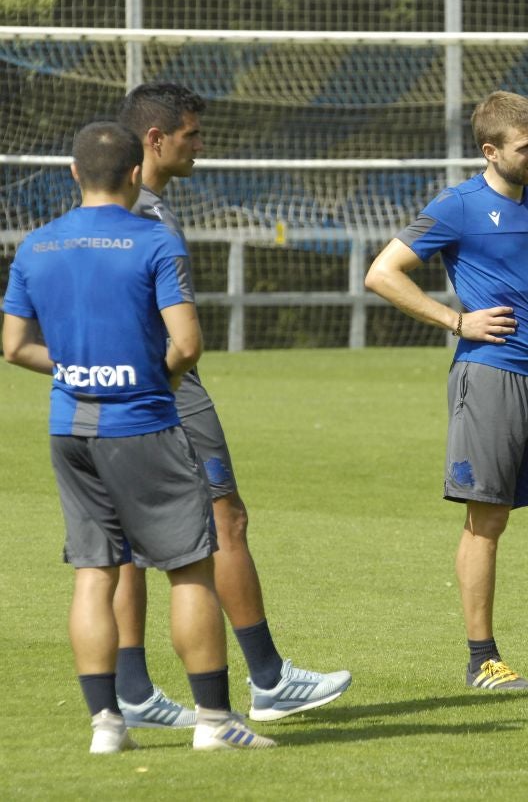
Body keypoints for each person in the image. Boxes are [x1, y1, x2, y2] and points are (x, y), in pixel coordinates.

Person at [2, 122, 274, 752]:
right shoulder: (153, 239)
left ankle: (106, 727)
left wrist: (75, 369)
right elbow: (186, 344)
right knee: (189, 571)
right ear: (134, 173)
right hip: (142, 424)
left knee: (95, 573)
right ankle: (214, 722)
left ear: (73, 174)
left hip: (69, 427)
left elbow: (12, 346)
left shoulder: (35, 246)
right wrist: (144, 378)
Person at [365, 90, 528, 690]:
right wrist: (457, 321)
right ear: (491, 151)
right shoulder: (458, 206)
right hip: (487, 377)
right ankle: (482, 659)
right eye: (526, 147)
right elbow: (382, 273)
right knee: (488, 519)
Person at [112, 83, 351, 725]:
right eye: (191, 134)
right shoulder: (144, 215)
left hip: (109, 392)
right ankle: (267, 679)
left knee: (126, 543)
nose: (201, 144)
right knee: (225, 522)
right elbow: (176, 336)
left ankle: (131, 692)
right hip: (168, 388)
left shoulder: (117, 206)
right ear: (156, 139)